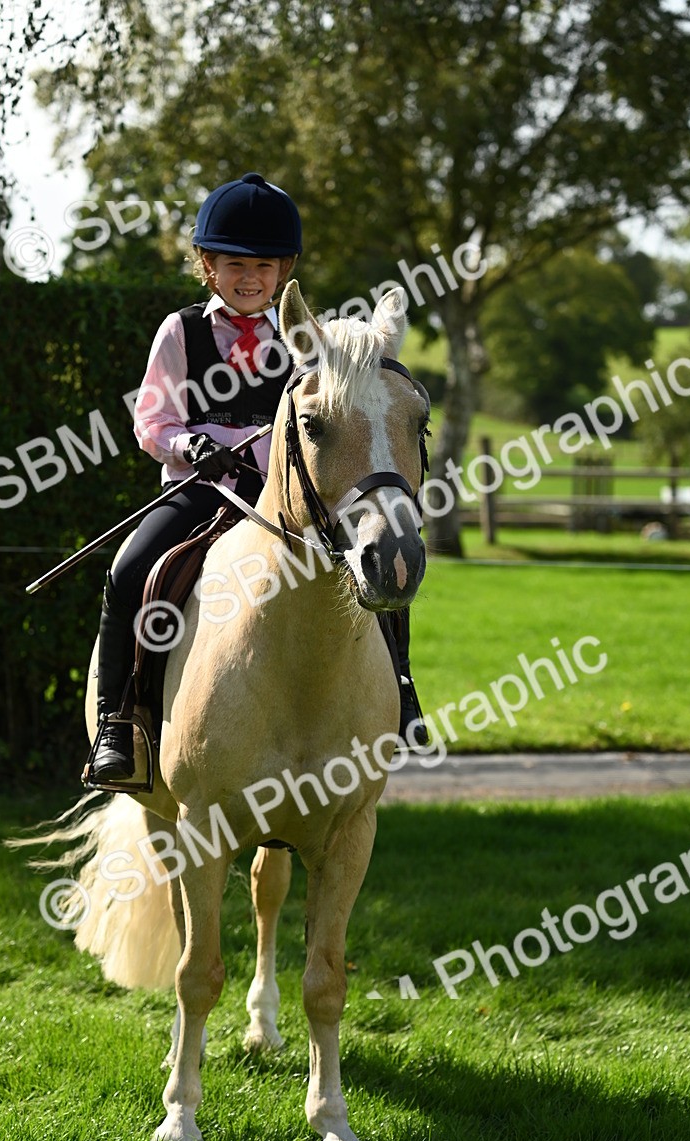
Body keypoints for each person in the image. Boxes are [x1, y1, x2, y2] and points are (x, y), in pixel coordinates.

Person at [87, 171, 426, 785]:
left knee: (378, 562)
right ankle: (120, 723)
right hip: (199, 491)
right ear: (208, 266)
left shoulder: (300, 341)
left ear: (283, 272)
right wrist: (191, 443)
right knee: (131, 569)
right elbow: (151, 421)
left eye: (265, 266)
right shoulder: (181, 331)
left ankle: (401, 692)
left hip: (280, 499)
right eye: (234, 264)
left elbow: (320, 423)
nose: (250, 278)